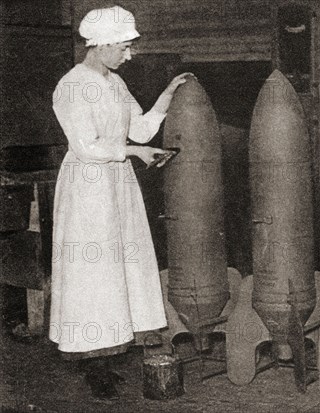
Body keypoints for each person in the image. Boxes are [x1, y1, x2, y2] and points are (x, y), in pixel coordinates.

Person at [50, 5, 193, 400]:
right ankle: (93, 364)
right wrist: (133, 153)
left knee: (119, 268)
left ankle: (110, 353)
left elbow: (143, 129)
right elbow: (85, 146)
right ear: (101, 43)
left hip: (117, 182)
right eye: (125, 47)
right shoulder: (73, 85)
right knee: (94, 272)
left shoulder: (114, 82)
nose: (129, 55)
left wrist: (166, 95)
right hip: (88, 185)